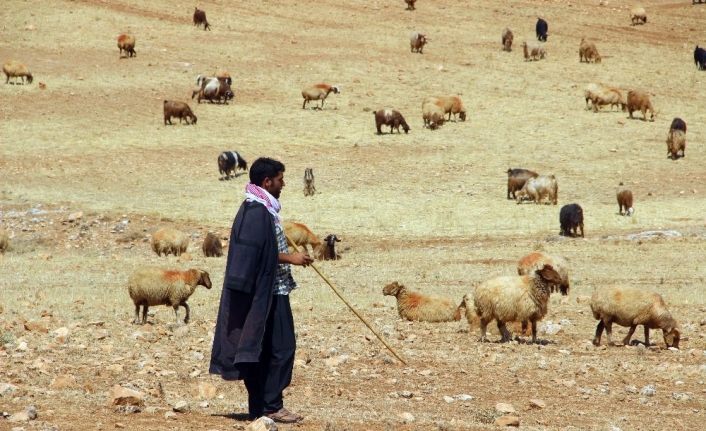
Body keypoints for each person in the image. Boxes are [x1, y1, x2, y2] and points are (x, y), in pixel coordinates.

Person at [209, 157, 313, 423]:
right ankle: (271, 405)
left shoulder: (261, 208)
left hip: (268, 290)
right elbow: (257, 255)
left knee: (264, 349)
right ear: (267, 182)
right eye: (280, 179)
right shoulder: (256, 213)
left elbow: (262, 249)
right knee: (282, 347)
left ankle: (261, 407)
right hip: (268, 293)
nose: (284, 184)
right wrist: (292, 258)